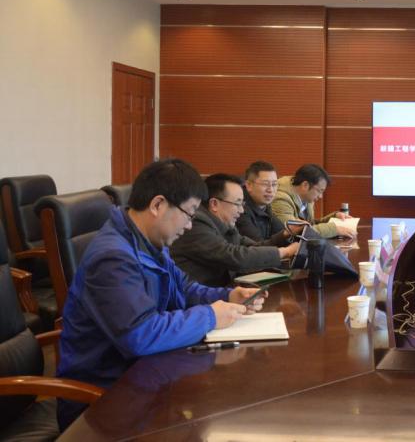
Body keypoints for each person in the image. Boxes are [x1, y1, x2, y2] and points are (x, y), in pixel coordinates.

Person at [57, 159, 266, 430]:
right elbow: (139, 334)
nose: (189, 226)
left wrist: (227, 296)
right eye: (189, 214)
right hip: (104, 402)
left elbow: (184, 288)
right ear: (158, 205)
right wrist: (210, 316)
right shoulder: (113, 258)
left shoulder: (150, 242)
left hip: (143, 379)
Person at [171, 173, 300, 287]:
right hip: (196, 300)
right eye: (237, 204)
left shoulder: (224, 223)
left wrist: (285, 234)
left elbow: (251, 247)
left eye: (242, 204)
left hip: (220, 293)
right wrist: (285, 252)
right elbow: (233, 256)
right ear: (214, 204)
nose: (241, 210)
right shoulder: (196, 223)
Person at [271, 163, 356, 239]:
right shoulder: (280, 199)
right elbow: (296, 230)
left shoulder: (306, 197)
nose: (320, 196)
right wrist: (334, 229)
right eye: (319, 191)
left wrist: (333, 218)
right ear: (305, 185)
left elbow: (309, 224)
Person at [236, 160, 301, 243]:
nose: (270, 190)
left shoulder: (265, 206)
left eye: (274, 184)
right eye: (265, 184)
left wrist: (296, 231)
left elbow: (281, 232)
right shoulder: (239, 209)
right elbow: (257, 245)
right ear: (249, 185)